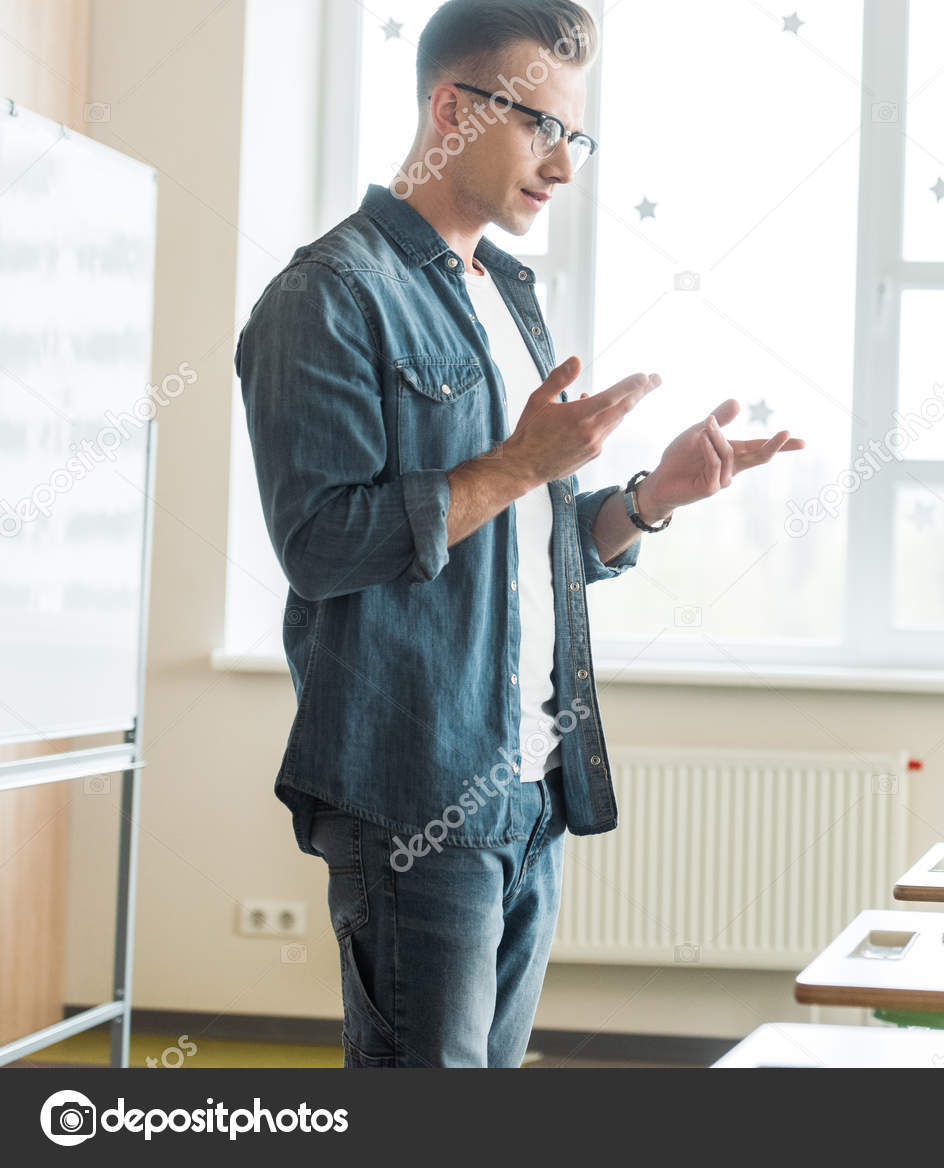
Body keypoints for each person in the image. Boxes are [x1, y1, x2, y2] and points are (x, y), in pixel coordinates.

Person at [235, 0, 802, 1067]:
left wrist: (646, 500)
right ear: (451, 107)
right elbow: (320, 545)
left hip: (534, 784)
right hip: (417, 791)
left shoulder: (506, 295)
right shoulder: (326, 296)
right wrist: (516, 466)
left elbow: (517, 543)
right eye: (541, 126)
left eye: (575, 136)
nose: (564, 165)